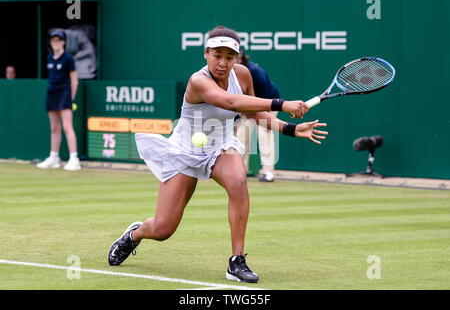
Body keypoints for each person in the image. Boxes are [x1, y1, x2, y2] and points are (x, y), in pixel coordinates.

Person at [107, 26, 328, 283]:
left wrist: (290, 128)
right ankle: (134, 234)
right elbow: (232, 103)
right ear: (206, 54)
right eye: (217, 55)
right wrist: (282, 104)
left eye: (229, 57)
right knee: (163, 229)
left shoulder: (243, 75)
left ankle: (237, 261)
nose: (223, 62)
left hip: (221, 146)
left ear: (237, 58)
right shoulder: (197, 81)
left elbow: (253, 113)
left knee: (238, 182)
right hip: (185, 151)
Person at [37, 29, 81, 171]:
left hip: (64, 93)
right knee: (54, 127)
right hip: (51, 92)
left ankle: (74, 158)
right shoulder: (49, 59)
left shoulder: (68, 58)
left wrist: (71, 98)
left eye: (58, 40)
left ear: (63, 42)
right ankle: (54, 157)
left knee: (67, 127)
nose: (55, 43)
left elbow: (74, 80)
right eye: (53, 40)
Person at [235, 48, 280, 182]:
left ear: (241, 59)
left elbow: (265, 99)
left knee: (264, 135)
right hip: (246, 107)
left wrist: (265, 120)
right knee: (241, 138)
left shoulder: (256, 72)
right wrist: (237, 118)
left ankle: (268, 172)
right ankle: (239, 172)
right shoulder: (228, 73)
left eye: (235, 58)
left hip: (268, 103)